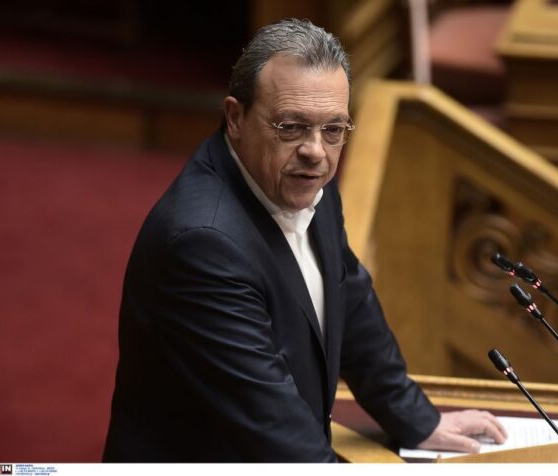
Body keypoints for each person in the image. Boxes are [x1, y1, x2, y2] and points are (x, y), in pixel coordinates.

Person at [103, 18, 507, 462]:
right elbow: (278, 436)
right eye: (291, 126)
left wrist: (418, 419)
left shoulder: (303, 179)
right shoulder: (204, 245)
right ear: (235, 118)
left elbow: (349, 299)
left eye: (333, 129)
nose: (316, 150)